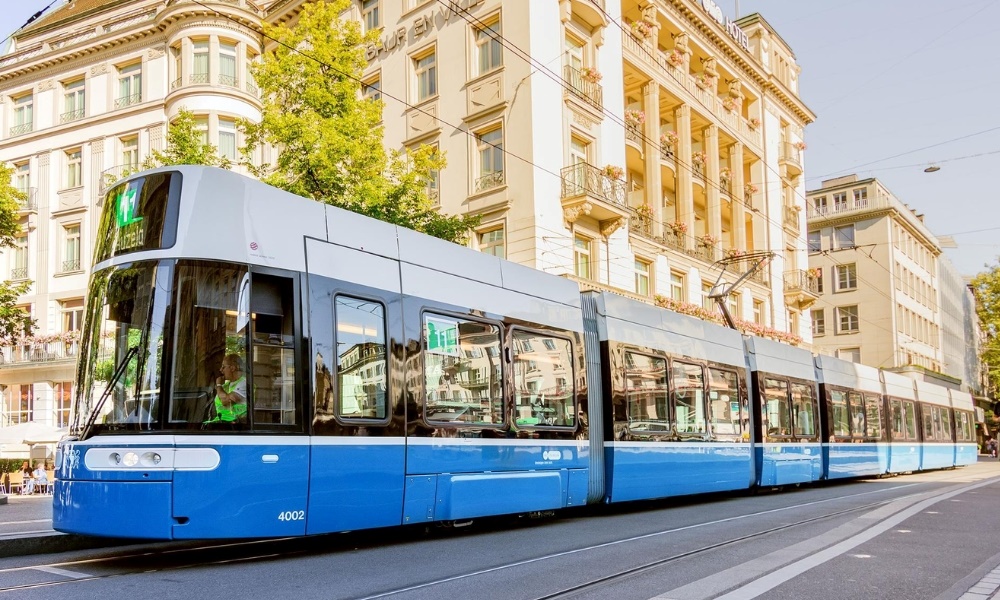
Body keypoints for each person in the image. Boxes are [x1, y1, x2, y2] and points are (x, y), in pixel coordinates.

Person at [204, 353, 247, 423]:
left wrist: (218, 385)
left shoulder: (244, 384)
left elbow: (226, 401)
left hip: (235, 426)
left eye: (223, 367)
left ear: (232, 368)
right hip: (219, 422)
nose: (221, 370)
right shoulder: (225, 386)